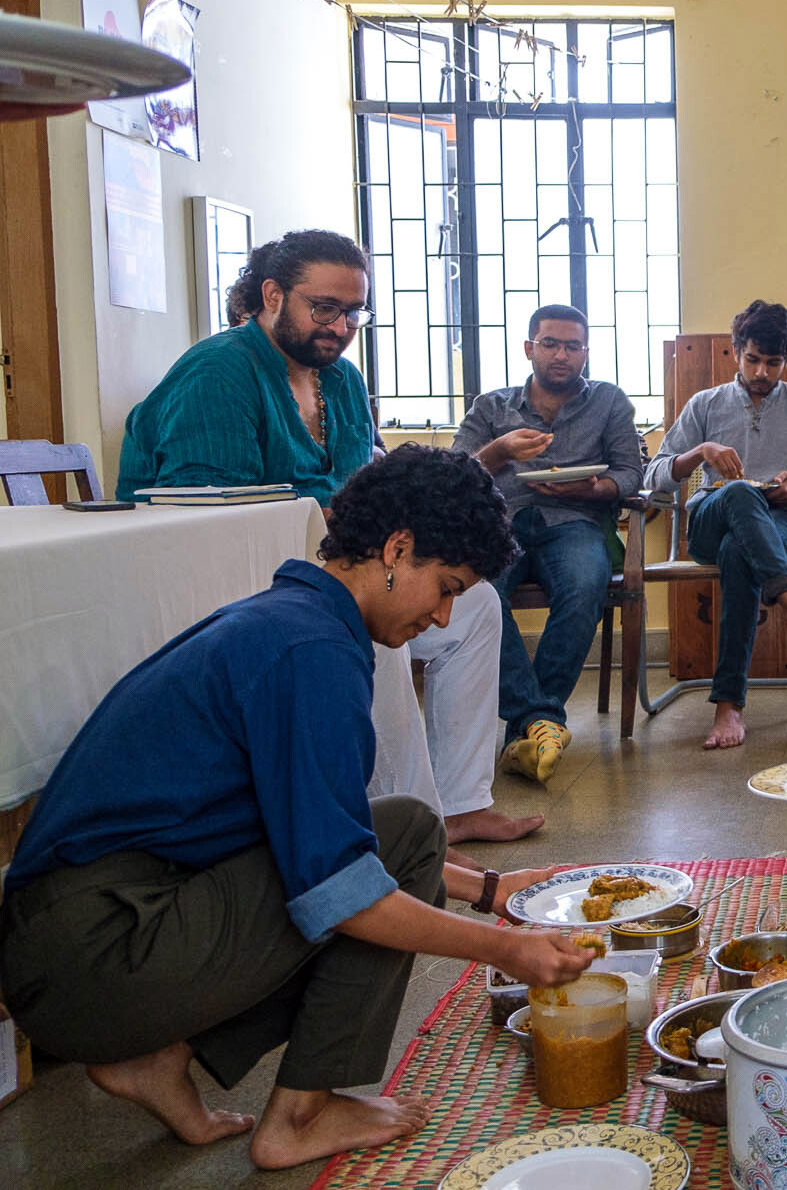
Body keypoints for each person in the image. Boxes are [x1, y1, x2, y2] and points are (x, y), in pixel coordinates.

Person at [0, 445, 597, 1172]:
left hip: (72, 943)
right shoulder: (311, 651)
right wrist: (510, 949)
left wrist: (495, 892)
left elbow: (323, 825)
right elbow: (344, 889)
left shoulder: (292, 619)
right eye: (444, 587)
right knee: (399, 842)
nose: (442, 617)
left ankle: (161, 1058)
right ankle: (301, 1113)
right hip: (93, 951)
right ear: (395, 548)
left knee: (394, 834)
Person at [117, 230, 536, 844]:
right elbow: (204, 515)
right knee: (371, 608)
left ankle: (460, 802)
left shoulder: (339, 381)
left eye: (354, 313)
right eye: (324, 308)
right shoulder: (218, 372)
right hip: (224, 584)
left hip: (320, 565)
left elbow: (366, 490)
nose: (339, 327)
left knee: (473, 605)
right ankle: (403, 831)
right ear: (271, 294)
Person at [642, 300, 787, 749]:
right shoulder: (706, 404)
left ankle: (729, 709)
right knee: (736, 491)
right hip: (708, 520)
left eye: (773, 362)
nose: (762, 372)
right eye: (753, 359)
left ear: (786, 359)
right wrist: (700, 452)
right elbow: (655, 475)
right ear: (736, 351)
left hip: (776, 522)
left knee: (740, 553)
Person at [454, 304, 644, 783]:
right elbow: (453, 476)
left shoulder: (609, 401)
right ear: (529, 348)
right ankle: (540, 721)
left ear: (585, 352)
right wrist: (498, 451)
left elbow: (629, 473)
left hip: (574, 520)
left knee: (585, 585)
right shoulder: (492, 406)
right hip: (501, 521)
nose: (562, 355)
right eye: (550, 344)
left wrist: (589, 489)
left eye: (572, 346)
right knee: (477, 593)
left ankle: (529, 727)